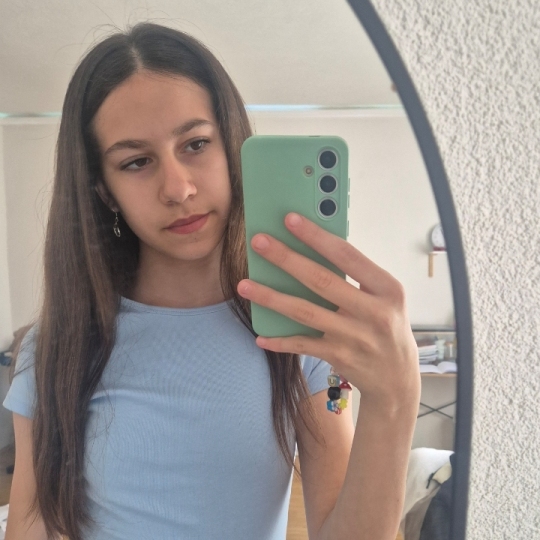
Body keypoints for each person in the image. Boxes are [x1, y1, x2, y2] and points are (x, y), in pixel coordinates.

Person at [2, 22, 420, 540]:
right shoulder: (54, 348)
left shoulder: (302, 336)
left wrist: (395, 400)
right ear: (104, 191)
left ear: (233, 148)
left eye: (196, 143)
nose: (178, 188)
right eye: (136, 162)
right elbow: (31, 525)